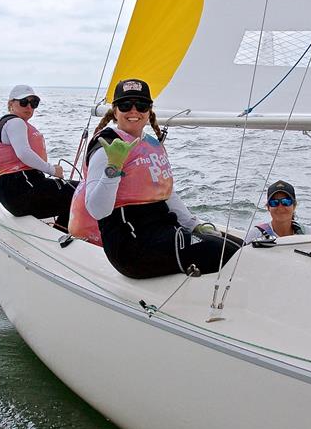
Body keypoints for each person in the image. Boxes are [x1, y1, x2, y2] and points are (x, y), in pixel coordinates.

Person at [78, 78, 239, 279]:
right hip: (132, 246)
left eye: (142, 105)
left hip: (162, 230)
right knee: (227, 253)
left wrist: (192, 224)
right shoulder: (107, 147)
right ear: (115, 110)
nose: (134, 111)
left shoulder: (151, 143)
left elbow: (165, 192)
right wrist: (113, 167)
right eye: (126, 105)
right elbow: (96, 210)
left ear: (149, 110)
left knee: (238, 247)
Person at [0, 85, 75, 232]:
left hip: (7, 195)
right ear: (11, 103)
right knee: (82, 191)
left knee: (71, 194)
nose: (29, 107)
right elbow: (23, 153)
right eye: (24, 102)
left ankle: (59, 232)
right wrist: (52, 170)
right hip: (24, 189)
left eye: (34, 103)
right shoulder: (16, 123)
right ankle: (62, 235)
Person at [244, 180, 305, 244]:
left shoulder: (307, 234)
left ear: (294, 206)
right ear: (268, 207)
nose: (280, 207)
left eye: (286, 202)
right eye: (274, 202)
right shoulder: (255, 235)